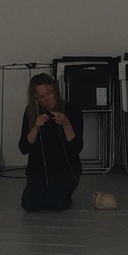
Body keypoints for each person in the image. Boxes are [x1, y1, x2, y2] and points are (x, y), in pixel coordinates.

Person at [19, 73, 83, 213]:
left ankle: (61, 193)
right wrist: (35, 128)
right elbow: (23, 148)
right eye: (42, 96)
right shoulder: (31, 112)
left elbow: (77, 147)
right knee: (30, 205)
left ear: (55, 91)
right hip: (40, 169)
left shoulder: (72, 109)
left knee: (55, 204)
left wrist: (66, 124)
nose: (47, 99)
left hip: (65, 169)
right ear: (36, 98)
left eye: (49, 93)